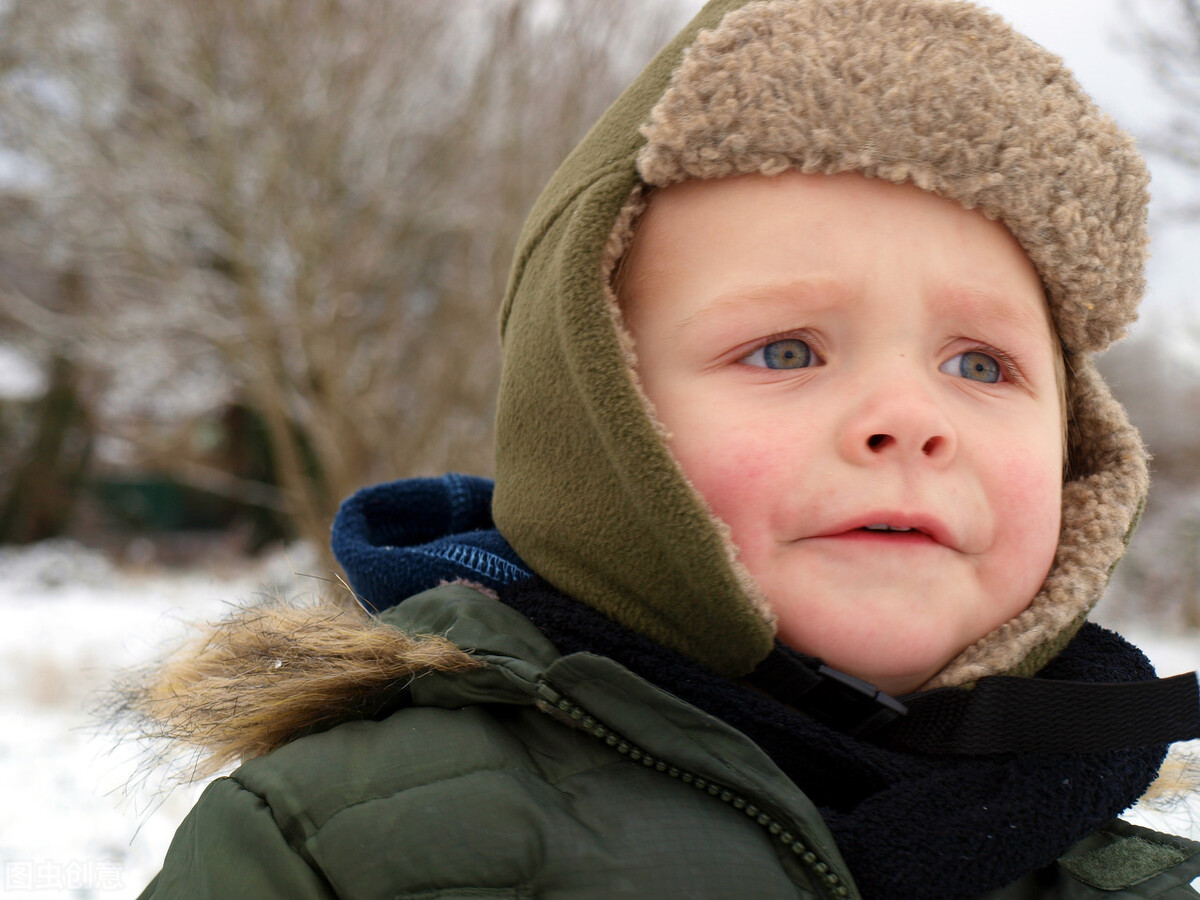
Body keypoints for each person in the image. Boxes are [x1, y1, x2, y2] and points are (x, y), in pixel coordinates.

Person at [130, 0, 1200, 897]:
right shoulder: (352, 843)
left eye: (980, 365)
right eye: (786, 349)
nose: (913, 419)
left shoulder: (1118, 867)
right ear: (599, 420)